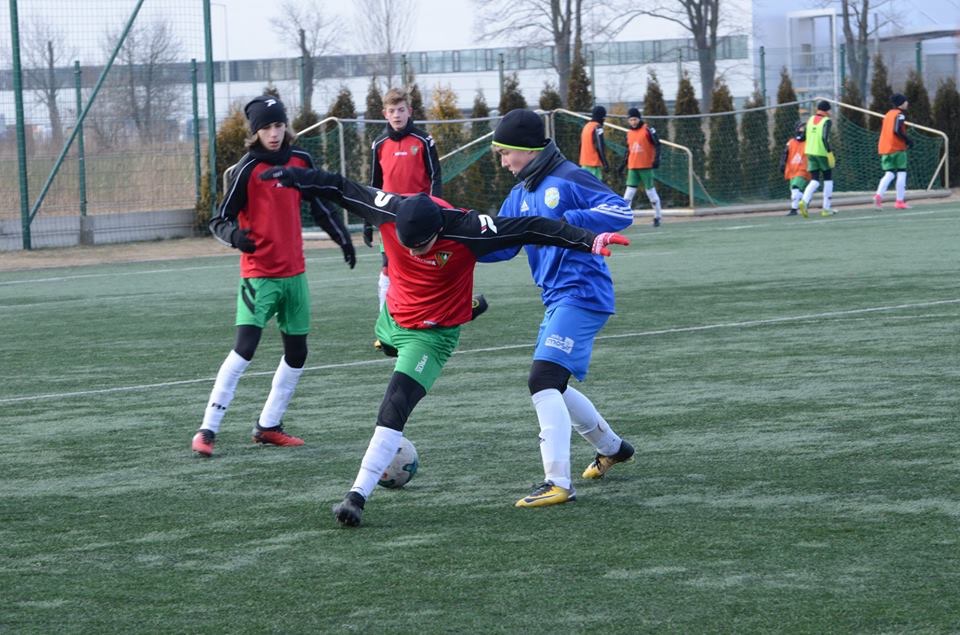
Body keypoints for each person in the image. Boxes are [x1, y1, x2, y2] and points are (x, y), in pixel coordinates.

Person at [258, 165, 630, 526]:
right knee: (388, 344)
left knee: (394, 406)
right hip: (392, 316)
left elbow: (532, 227)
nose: (415, 253)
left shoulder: (468, 230)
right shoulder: (386, 208)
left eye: (423, 247)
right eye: (408, 246)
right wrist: (295, 177)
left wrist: (588, 239)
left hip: (430, 336)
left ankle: (356, 497)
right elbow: (338, 186)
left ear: (438, 230)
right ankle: (462, 309)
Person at [485, 108, 636, 508]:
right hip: (556, 299)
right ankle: (614, 448)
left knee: (543, 379)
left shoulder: (567, 177)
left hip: (582, 293)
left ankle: (557, 483)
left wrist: (571, 220)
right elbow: (501, 246)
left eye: (506, 153)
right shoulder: (519, 195)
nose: (503, 162)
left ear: (528, 150)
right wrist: (454, 248)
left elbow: (621, 210)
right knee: (555, 384)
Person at [191, 95, 356, 457]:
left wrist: (343, 238)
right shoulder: (247, 169)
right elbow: (219, 220)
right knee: (245, 349)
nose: (274, 133)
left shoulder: (301, 161)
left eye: (279, 125)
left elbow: (319, 204)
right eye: (266, 127)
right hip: (259, 276)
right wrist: (236, 237)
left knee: (297, 353)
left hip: (295, 275)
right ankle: (207, 429)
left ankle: (269, 425)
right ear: (256, 132)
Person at [367, 87, 487, 345]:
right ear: (384, 114)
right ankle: (386, 329)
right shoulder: (378, 144)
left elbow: (435, 178)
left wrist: (438, 210)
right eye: (392, 111)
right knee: (388, 270)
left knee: (435, 268)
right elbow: (374, 185)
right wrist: (369, 221)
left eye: (401, 110)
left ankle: (457, 307)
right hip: (391, 220)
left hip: (423, 220)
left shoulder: (423, 140)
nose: (397, 115)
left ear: (409, 111)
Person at [620, 107, 663, 227]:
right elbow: (628, 150)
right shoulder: (629, 133)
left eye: (635, 119)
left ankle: (657, 216)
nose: (633, 122)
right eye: (631, 120)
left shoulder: (647, 130)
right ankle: (625, 218)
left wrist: (656, 159)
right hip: (633, 167)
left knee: (651, 192)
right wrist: (623, 164)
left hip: (645, 166)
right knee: (628, 195)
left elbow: (657, 144)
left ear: (639, 119)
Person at [798, 100, 837, 218]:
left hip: (810, 152)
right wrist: (829, 153)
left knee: (814, 180)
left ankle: (804, 201)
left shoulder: (810, 119)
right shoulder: (827, 121)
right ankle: (826, 208)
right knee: (828, 179)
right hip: (822, 153)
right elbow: (824, 138)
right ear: (827, 110)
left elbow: (803, 137)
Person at [874, 93, 912, 210]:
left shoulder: (888, 114)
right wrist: (908, 140)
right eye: (905, 101)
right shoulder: (900, 115)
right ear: (901, 103)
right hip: (897, 148)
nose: (907, 103)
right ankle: (899, 201)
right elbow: (897, 130)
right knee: (902, 173)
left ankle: (878, 195)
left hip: (885, 148)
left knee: (889, 174)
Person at [779, 120, 812, 216]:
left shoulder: (808, 142)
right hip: (792, 170)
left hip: (803, 170)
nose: (803, 129)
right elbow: (785, 153)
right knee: (794, 192)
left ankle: (794, 209)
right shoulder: (790, 142)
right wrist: (782, 163)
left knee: (795, 188)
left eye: (804, 128)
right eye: (801, 127)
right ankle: (805, 198)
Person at [579, 105, 609, 179]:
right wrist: (605, 163)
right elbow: (600, 146)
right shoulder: (598, 127)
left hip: (584, 163)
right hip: (593, 164)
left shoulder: (586, 126)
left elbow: (580, 145)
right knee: (596, 185)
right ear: (602, 117)